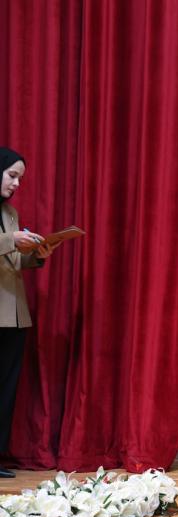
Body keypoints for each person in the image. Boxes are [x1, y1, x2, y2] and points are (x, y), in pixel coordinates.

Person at [0, 147, 58, 478]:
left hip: (14, 314)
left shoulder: (10, 212)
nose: (16, 184)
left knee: (6, 388)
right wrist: (13, 239)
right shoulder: (10, 226)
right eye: (12, 175)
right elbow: (7, 244)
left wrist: (37, 254)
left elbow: (13, 260)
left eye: (20, 178)